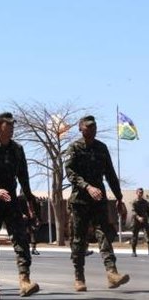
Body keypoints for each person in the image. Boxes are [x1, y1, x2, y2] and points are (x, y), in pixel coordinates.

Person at [0, 112, 40, 299]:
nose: (11, 128)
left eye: (13, 125)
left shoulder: (17, 149)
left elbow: (24, 177)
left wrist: (29, 201)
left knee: (21, 240)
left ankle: (25, 280)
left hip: (11, 202)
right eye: (8, 125)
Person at [65, 115, 129, 292]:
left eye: (94, 127)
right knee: (78, 239)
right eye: (88, 127)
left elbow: (110, 174)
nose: (92, 130)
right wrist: (88, 187)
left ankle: (112, 273)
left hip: (99, 200)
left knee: (104, 234)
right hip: (80, 201)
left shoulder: (101, 148)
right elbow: (71, 174)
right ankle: (79, 277)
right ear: (80, 128)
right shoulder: (74, 149)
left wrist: (119, 198)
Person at [131, 188, 149, 257]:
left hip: (144, 221)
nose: (140, 194)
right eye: (139, 192)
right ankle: (133, 251)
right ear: (136, 193)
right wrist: (138, 217)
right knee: (135, 237)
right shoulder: (134, 202)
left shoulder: (145, 202)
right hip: (136, 222)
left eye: (141, 192)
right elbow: (133, 211)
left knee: (148, 237)